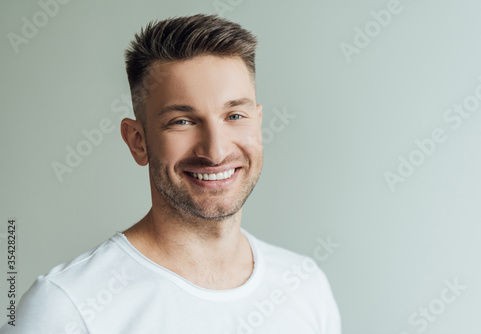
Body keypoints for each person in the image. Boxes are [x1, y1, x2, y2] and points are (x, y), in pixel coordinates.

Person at [1, 14, 341, 333]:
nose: (216, 151)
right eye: (182, 121)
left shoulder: (305, 285)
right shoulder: (64, 307)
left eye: (235, 116)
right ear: (138, 141)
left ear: (258, 122)